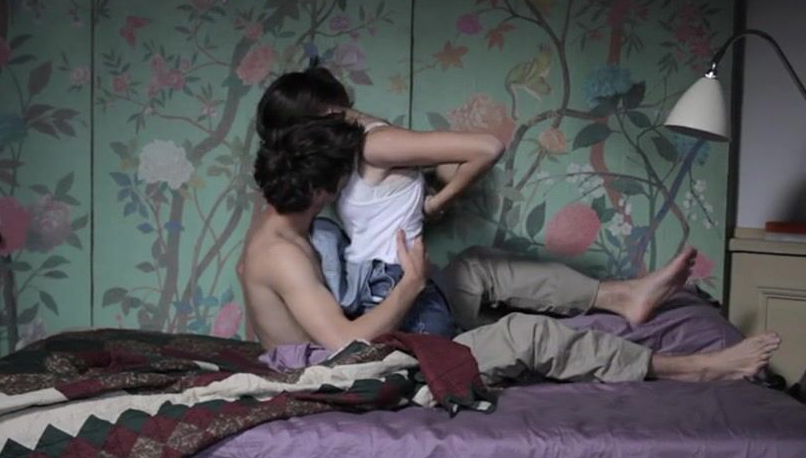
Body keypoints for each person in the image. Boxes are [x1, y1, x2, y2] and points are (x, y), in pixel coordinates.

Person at [242, 106, 781, 385]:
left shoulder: (294, 220)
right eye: (342, 178)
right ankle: (691, 368)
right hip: (365, 372)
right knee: (528, 334)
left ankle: (621, 296)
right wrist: (410, 283)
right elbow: (345, 344)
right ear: (320, 188)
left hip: (377, 341)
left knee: (476, 267)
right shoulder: (282, 253)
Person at [256, 65, 504, 337]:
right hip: (379, 282)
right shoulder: (354, 148)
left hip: (382, 282)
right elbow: (461, 158)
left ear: (325, 114)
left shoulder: (369, 145)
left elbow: (483, 150)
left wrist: (436, 202)